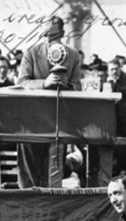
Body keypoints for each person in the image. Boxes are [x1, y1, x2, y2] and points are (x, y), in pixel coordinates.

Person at [15, 15, 81, 188]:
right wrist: (44, 84)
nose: (48, 39)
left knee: (53, 173)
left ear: (62, 33)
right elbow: (21, 83)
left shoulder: (73, 56)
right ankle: (27, 203)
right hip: (31, 123)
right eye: (45, 35)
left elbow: (77, 88)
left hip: (58, 123)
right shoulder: (31, 53)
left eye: (53, 35)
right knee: (28, 173)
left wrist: (66, 85)